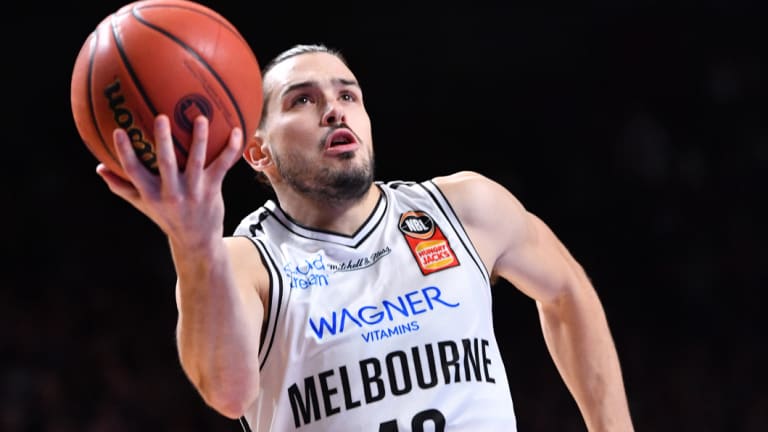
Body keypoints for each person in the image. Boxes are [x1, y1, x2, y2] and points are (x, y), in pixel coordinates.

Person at [96, 43, 635, 431]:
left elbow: (567, 292)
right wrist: (193, 245)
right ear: (257, 152)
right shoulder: (244, 261)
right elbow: (228, 394)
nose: (334, 108)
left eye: (347, 94)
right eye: (301, 100)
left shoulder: (463, 208)